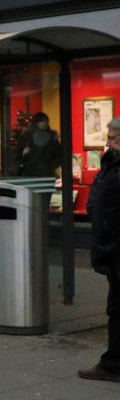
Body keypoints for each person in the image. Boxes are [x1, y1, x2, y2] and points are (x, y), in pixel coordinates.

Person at [80, 117, 120, 382]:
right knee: (115, 308)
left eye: (113, 137)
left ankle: (112, 364)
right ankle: (113, 362)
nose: (108, 142)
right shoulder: (111, 164)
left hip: (117, 247)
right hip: (112, 247)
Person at [16, 111, 62, 178]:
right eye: (43, 121)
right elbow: (18, 154)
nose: (45, 123)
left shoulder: (52, 138)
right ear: (37, 122)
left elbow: (59, 155)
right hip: (29, 173)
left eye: (46, 121)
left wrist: (50, 166)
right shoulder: (26, 137)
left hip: (47, 174)